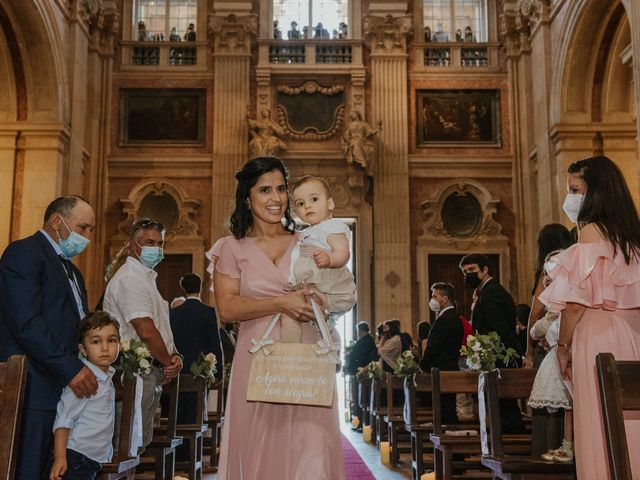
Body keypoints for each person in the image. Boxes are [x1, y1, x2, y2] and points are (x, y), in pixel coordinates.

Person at [206, 156, 344, 479]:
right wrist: (281, 302)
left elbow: (339, 290)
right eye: (265, 190)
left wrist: (321, 301)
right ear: (247, 197)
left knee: (310, 450)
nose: (276, 198)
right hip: (258, 360)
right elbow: (227, 308)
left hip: (308, 358)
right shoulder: (230, 247)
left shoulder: (309, 240)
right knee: (259, 448)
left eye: (281, 189)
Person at [539, 155, 640, 479]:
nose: (570, 198)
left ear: (595, 191)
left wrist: (564, 347)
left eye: (575, 189)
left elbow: (575, 303)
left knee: (598, 421)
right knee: (630, 423)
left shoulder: (592, 232)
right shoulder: (630, 235)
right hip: (630, 335)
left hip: (596, 336)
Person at [0, 195, 97, 479]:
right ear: (57, 221)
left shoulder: (74, 272)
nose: (87, 237)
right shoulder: (24, 253)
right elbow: (27, 323)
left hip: (64, 390)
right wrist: (70, 369)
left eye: (91, 230)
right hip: (33, 386)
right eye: (83, 228)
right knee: (27, 468)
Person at [103, 218, 183, 452]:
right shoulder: (130, 278)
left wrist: (175, 356)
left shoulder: (146, 278)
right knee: (126, 444)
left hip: (148, 371)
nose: (156, 249)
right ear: (133, 246)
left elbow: (162, 326)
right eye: (149, 242)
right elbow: (145, 329)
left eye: (160, 244)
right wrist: (167, 362)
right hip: (132, 375)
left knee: (138, 443)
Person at [281, 175, 357, 342]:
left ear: (330, 204)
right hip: (312, 283)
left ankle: (328, 332)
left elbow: (343, 252)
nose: (307, 205)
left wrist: (330, 259)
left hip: (328, 279)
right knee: (299, 312)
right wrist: (291, 278)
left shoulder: (333, 227)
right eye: (300, 203)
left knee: (317, 309)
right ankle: (290, 348)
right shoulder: (305, 234)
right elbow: (295, 258)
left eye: (314, 199)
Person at [49, 312, 120, 480]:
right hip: (76, 458)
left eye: (111, 340)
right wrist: (60, 457)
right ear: (83, 349)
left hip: (91, 460)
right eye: (96, 341)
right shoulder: (84, 380)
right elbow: (64, 420)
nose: (105, 347)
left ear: (120, 345)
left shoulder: (107, 377)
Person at [524, 223, 574, 456]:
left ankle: (551, 451)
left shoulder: (551, 269)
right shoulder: (576, 265)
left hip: (557, 350)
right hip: (571, 344)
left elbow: (535, 315)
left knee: (554, 408)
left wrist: (530, 351)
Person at [459, 253, 524, 433]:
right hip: (496, 359)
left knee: (505, 410)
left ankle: (510, 450)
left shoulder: (491, 292)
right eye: (465, 272)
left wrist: (485, 358)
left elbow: (498, 331)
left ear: (485, 269)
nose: (468, 275)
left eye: (472, 270)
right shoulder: (487, 292)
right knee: (500, 409)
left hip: (499, 360)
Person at [170, 272, 222, 461]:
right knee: (196, 415)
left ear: (183, 289)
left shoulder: (174, 313)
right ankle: (192, 456)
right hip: (200, 370)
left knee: (176, 414)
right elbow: (215, 344)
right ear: (200, 288)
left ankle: (178, 455)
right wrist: (218, 373)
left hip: (178, 370)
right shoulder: (207, 312)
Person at [421, 282, 463, 424]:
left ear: (444, 299)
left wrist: (422, 365)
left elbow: (433, 347)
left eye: (434, 296)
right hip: (449, 367)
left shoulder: (445, 319)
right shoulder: (453, 317)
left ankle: (449, 435)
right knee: (446, 408)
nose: (432, 299)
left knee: (446, 411)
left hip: (442, 369)